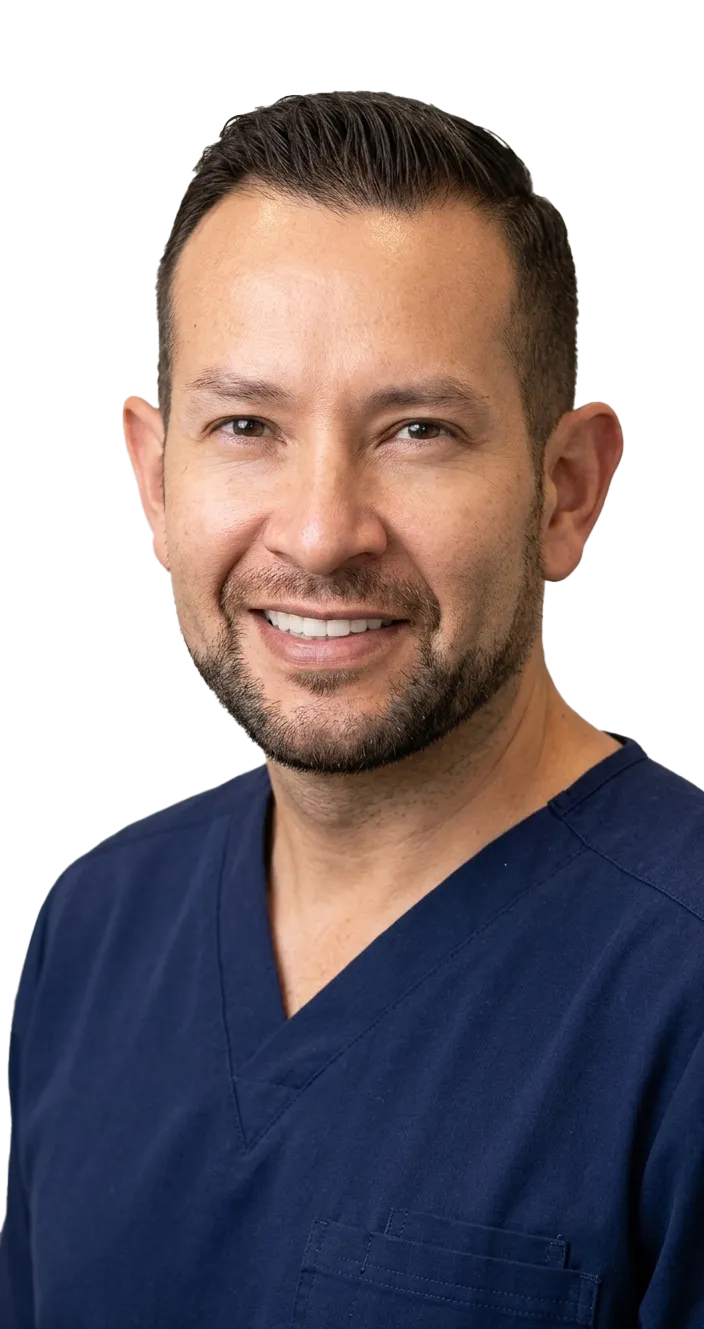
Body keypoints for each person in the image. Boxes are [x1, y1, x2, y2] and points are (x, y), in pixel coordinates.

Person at [1, 89, 702, 1328]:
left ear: (566, 491)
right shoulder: (94, 926)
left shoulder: (675, 991)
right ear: (154, 479)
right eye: (245, 427)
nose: (321, 531)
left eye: (416, 430)